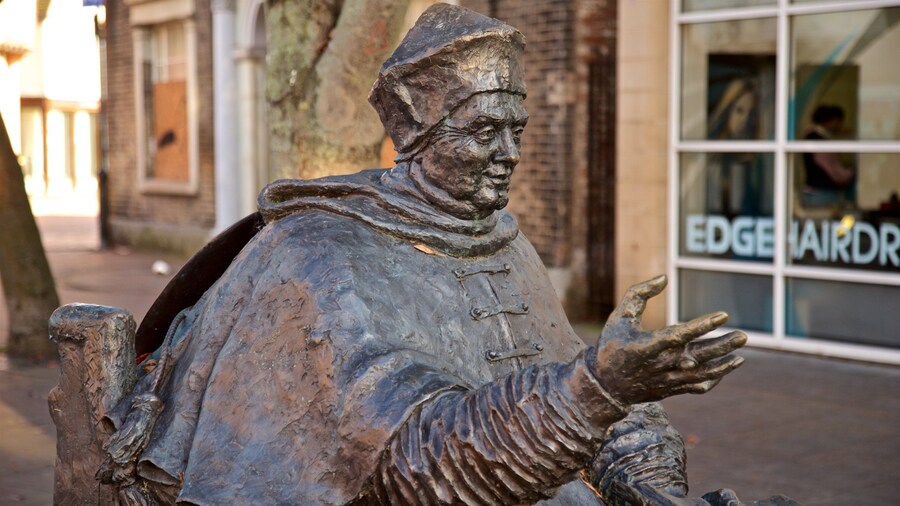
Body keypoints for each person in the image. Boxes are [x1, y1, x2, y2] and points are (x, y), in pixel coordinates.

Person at [100, 5, 762, 505]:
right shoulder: (321, 256)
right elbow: (417, 468)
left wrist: (647, 482)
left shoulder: (501, 236)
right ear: (416, 135)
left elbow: (576, 380)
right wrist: (602, 387)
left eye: (516, 131)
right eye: (482, 132)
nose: (508, 154)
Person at [802, 105, 855, 208]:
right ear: (833, 120)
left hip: (817, 192)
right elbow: (833, 171)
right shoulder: (819, 140)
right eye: (839, 122)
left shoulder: (814, 137)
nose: (840, 126)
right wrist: (851, 172)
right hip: (823, 193)